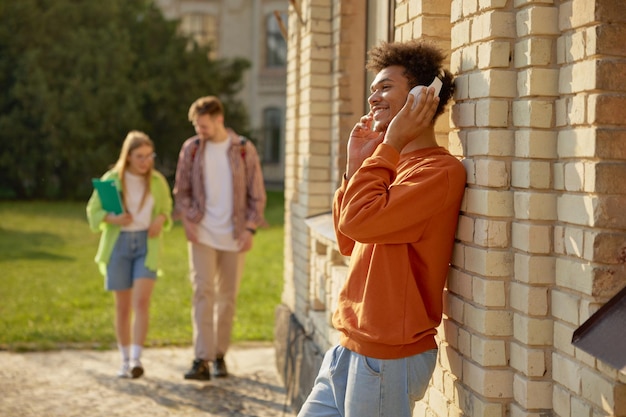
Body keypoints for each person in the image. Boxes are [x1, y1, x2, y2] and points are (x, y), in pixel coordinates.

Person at [297, 40, 466, 416]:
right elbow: (347, 237)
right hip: (349, 346)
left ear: (423, 98)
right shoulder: (389, 166)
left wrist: (388, 144)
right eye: (373, 89)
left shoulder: (438, 173)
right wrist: (357, 164)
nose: (373, 96)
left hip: (388, 357)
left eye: (386, 87)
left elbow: (359, 221)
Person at [173, 95, 267, 380]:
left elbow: (257, 193)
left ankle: (218, 356)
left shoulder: (242, 149)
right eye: (196, 126)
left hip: (235, 235)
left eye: (203, 126)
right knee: (203, 292)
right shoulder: (191, 149)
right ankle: (201, 358)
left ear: (219, 120)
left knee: (227, 298)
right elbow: (182, 190)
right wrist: (188, 220)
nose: (199, 131)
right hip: (202, 233)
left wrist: (250, 228)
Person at [86, 130, 173, 379]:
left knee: (142, 302)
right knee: (123, 307)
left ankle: (136, 359)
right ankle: (124, 360)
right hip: (119, 245)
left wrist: (161, 218)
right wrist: (113, 218)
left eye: (149, 156)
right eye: (140, 156)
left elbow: (166, 208)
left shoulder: (157, 182)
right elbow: (93, 211)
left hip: (147, 245)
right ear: (129, 156)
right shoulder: (112, 179)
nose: (145, 161)